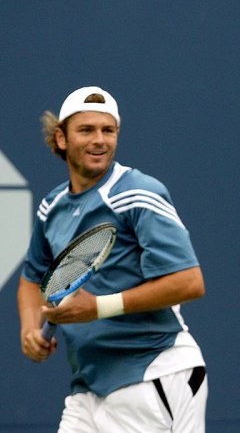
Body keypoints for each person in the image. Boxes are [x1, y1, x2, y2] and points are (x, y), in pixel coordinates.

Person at [17, 86, 208, 432]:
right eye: (86, 130)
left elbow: (189, 282)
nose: (99, 140)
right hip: (87, 388)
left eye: (108, 130)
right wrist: (31, 329)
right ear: (61, 138)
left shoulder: (139, 193)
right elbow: (31, 279)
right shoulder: (51, 207)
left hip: (151, 374)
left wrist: (98, 307)